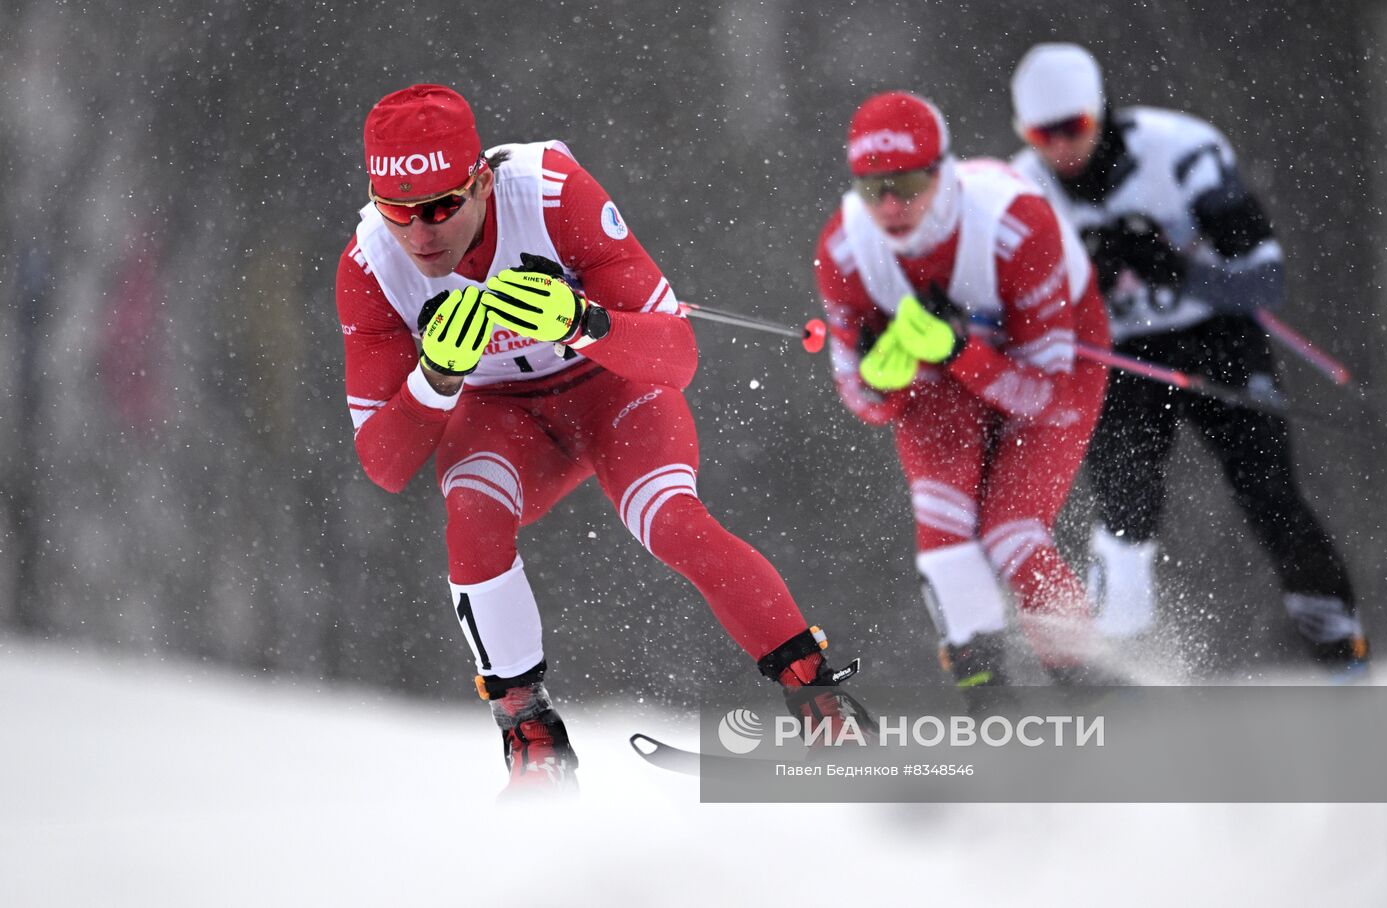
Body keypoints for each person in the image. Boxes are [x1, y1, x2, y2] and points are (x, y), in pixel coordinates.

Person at [336, 84, 869, 795]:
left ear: (482, 183)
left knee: (673, 523)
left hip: (613, 393)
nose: (422, 235)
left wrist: (585, 321)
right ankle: (532, 737)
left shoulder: (551, 194)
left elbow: (677, 357)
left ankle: (823, 701)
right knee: (472, 521)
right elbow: (384, 465)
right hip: (504, 416)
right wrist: (434, 378)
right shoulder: (370, 265)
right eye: (400, 213)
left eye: (440, 209)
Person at [1008, 43, 1368, 672]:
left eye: (1076, 128)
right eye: (1044, 134)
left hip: (1217, 335)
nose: (1061, 147)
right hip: (1118, 356)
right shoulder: (1020, 191)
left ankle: (1339, 643)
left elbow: (1265, 281)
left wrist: (1177, 268)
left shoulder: (1181, 150)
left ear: (1101, 113)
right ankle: (1117, 657)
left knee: (1269, 492)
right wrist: (1080, 282)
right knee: (1125, 500)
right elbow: (1015, 320)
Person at [813, 90, 1114, 697]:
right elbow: (860, 397)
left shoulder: (1014, 225)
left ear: (942, 171)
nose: (892, 206)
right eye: (874, 190)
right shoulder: (845, 251)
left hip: (1058, 362)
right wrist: (884, 378)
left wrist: (961, 352)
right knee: (946, 534)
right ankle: (989, 700)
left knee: (1011, 531)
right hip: (941, 379)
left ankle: (1093, 687)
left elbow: (1046, 397)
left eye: (909, 184)